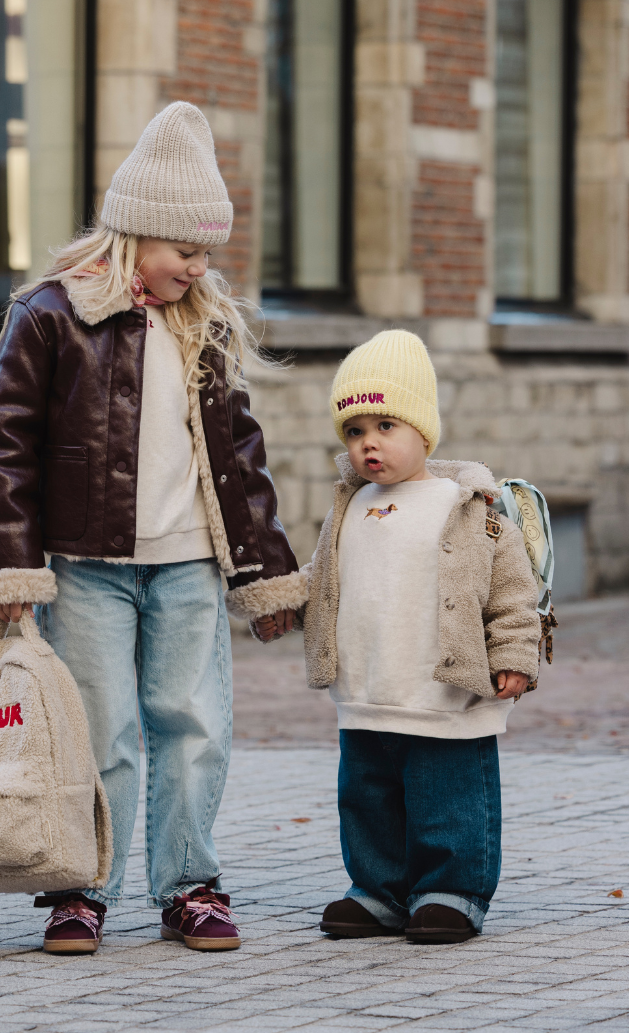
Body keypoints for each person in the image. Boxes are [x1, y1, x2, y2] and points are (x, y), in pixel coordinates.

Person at [0, 102, 304, 954]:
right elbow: (6, 448)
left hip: (190, 563)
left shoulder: (209, 325)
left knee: (193, 722)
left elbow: (240, 456)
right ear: (134, 235)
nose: (198, 267)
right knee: (103, 729)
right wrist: (13, 573)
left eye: (206, 253)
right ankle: (80, 889)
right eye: (185, 250)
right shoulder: (50, 315)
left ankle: (189, 885)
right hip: (88, 566)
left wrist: (262, 572)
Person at [259, 329, 540, 944]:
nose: (369, 445)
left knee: (449, 796)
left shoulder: (467, 504)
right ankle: (379, 890)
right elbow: (321, 580)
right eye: (355, 432)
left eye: (385, 426)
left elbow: (511, 591)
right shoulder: (350, 507)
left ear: (423, 428)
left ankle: (452, 890)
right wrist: (278, 602)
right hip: (366, 689)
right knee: (369, 799)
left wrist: (514, 654)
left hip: (447, 693)